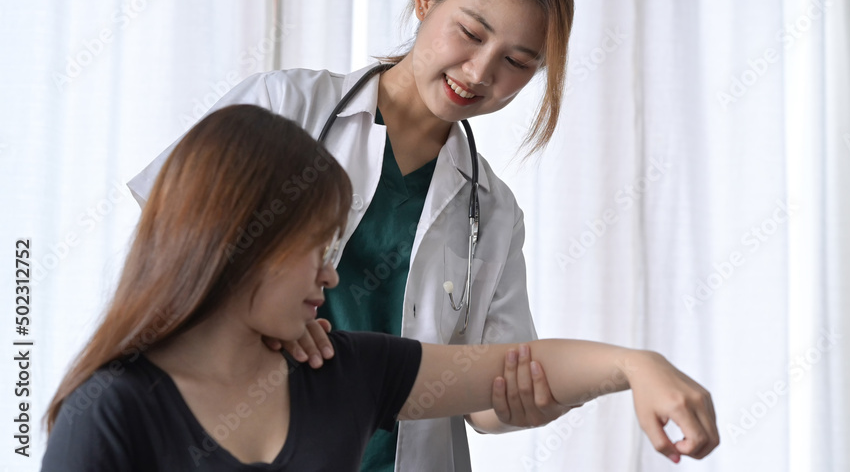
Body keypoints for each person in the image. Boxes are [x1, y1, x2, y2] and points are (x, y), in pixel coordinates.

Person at [126, 0, 710, 471]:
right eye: (471, 33)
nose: (479, 72)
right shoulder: (283, 106)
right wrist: (261, 313)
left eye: (517, 62)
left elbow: (491, 392)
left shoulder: (494, 212)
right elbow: (169, 240)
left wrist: (535, 401)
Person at [44, 105, 718, 471]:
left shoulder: (342, 372)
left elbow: (512, 367)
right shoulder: (111, 411)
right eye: (316, 247)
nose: (331, 274)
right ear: (244, 241)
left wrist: (638, 367)